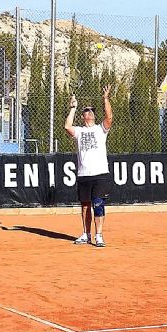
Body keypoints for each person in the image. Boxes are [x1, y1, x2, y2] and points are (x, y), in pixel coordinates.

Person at [64, 85, 113, 247]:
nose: (90, 112)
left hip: (100, 174)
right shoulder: (79, 131)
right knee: (85, 205)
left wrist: (105, 99)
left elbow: (109, 118)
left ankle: (99, 235)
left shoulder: (101, 129)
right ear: (83, 116)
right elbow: (67, 127)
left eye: (92, 110)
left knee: (98, 204)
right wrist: (73, 107)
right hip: (84, 174)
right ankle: (86, 234)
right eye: (87, 111)